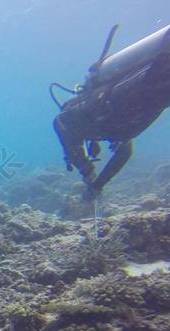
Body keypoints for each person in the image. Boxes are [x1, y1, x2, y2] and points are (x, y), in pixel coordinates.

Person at [52, 24, 170, 201]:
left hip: (137, 95)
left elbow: (61, 124)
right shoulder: (107, 129)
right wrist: (97, 184)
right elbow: (124, 153)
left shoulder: (77, 114)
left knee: (158, 77)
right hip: (147, 101)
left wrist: (85, 168)